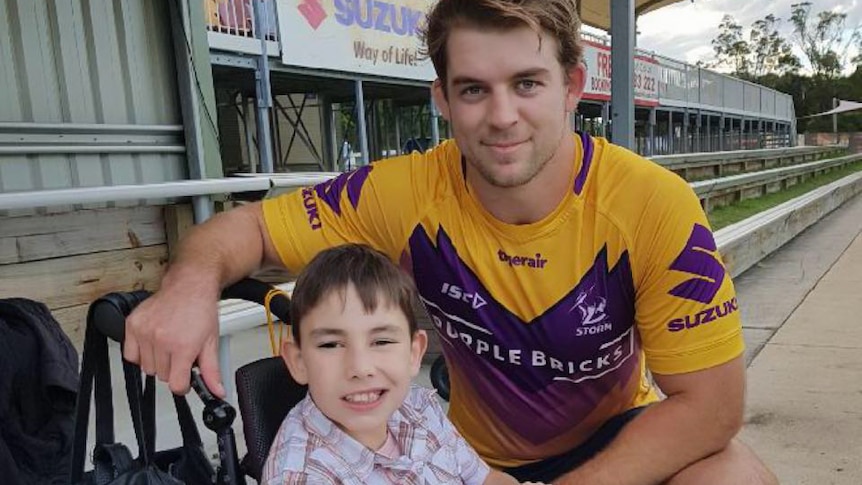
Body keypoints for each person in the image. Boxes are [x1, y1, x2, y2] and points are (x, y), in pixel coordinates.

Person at [124, 0, 777, 483]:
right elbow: (248, 227)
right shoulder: (402, 191)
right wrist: (190, 285)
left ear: (572, 86)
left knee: (735, 476)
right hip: (468, 462)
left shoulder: (654, 204)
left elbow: (713, 409)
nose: (501, 116)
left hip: (616, 447)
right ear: (441, 97)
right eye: (473, 90)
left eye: (526, 83)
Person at [261, 243, 520, 484]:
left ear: (413, 353)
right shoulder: (304, 475)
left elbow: (484, 478)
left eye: (382, 341)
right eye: (331, 344)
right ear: (299, 362)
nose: (361, 368)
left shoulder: (418, 405)